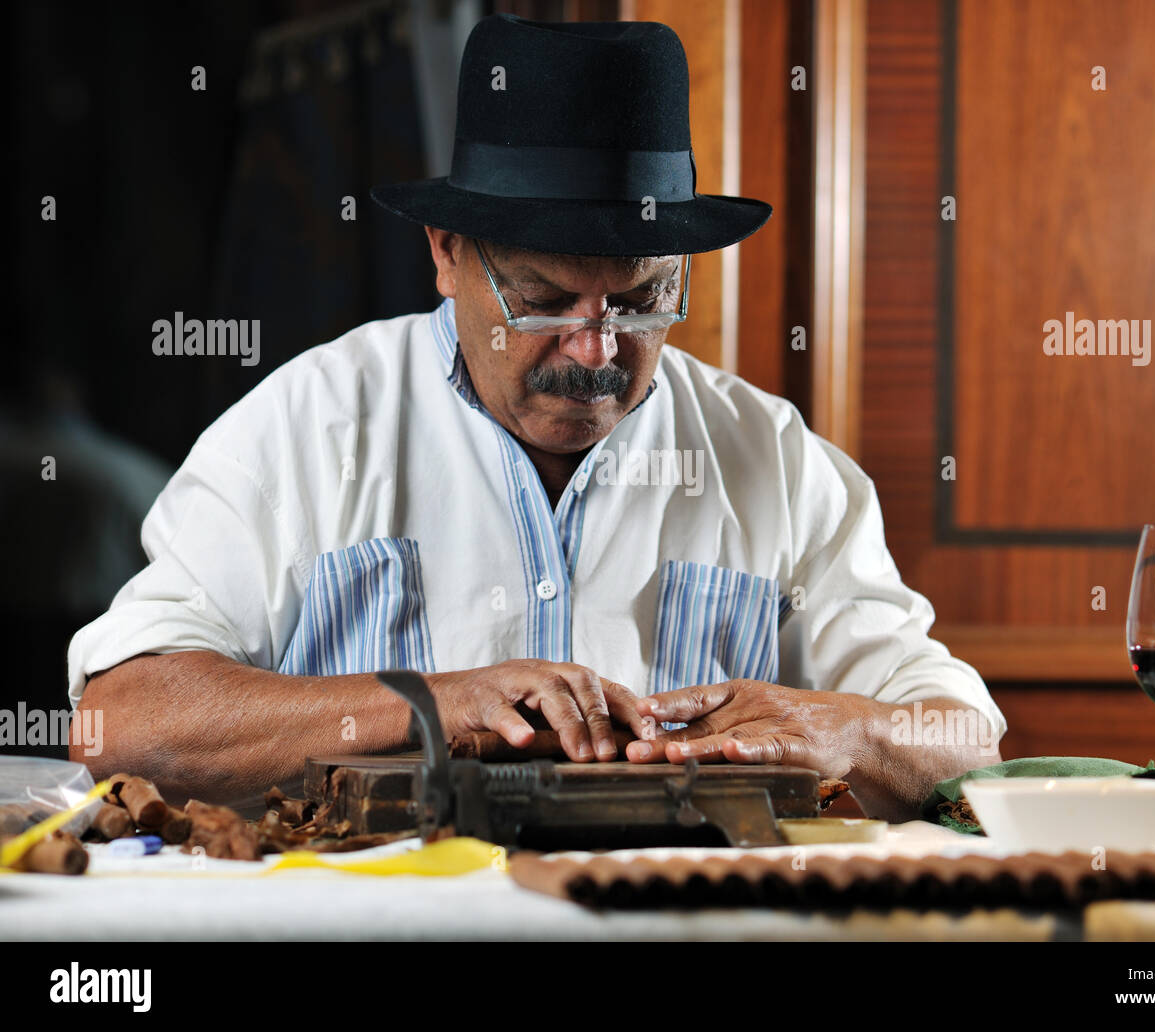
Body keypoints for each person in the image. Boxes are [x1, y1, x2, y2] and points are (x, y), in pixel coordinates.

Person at [69, 13, 1004, 820]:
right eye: (545, 300)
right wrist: (430, 708)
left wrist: (831, 730)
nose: (596, 351)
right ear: (447, 254)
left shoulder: (777, 462)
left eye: (640, 301)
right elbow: (121, 722)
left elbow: (963, 743)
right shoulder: (305, 428)